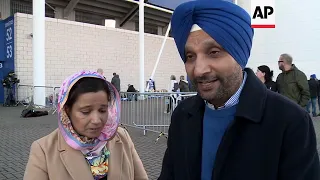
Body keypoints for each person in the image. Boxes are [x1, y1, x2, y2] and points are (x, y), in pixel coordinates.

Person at [158, 1, 319, 180]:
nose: (199, 69)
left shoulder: (290, 121)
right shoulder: (182, 114)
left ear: (239, 55)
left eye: (213, 52)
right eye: (190, 56)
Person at [24, 71, 148, 180]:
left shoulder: (122, 137)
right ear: (66, 111)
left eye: (102, 110)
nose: (96, 120)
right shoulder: (43, 150)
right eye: (86, 112)